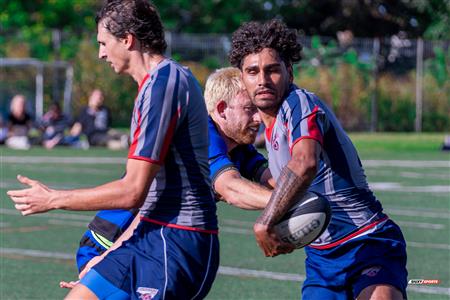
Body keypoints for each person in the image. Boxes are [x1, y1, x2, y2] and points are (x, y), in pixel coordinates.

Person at [8, 1, 219, 299]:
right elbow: (147, 200)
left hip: (176, 242)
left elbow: (132, 191)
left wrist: (54, 198)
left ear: (127, 39)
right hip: (150, 234)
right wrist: (109, 258)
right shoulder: (156, 84)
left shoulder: (163, 85)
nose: (100, 53)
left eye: (103, 43)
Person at [229, 19, 408, 299]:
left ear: (289, 70)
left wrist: (266, 221)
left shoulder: (298, 103)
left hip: (367, 242)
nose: (262, 80)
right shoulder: (270, 127)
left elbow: (305, 164)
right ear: (242, 78)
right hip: (322, 260)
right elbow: (284, 183)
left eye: (272, 70)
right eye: (252, 71)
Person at [62, 66, 273, 288]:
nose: (258, 118)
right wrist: (290, 205)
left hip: (153, 242)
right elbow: (232, 190)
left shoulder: (239, 145)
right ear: (222, 110)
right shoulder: (202, 138)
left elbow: (272, 179)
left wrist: (301, 192)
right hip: (111, 242)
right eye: (250, 109)